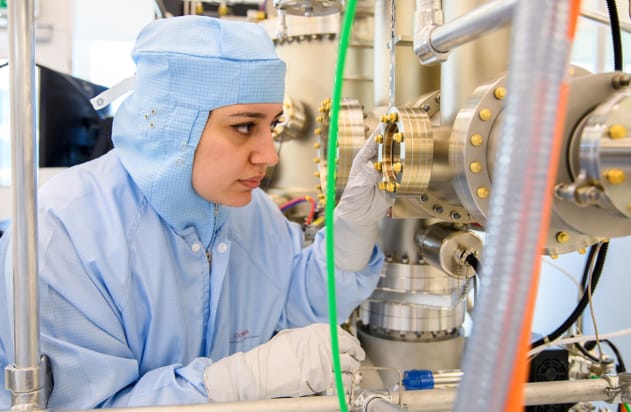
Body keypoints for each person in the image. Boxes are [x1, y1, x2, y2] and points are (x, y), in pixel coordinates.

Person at [0, 15, 393, 408]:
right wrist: (241, 380)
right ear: (173, 124)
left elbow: (298, 300)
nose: (269, 155)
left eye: (272, 126)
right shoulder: (63, 233)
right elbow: (84, 405)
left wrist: (354, 228)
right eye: (243, 126)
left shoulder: (249, 212)